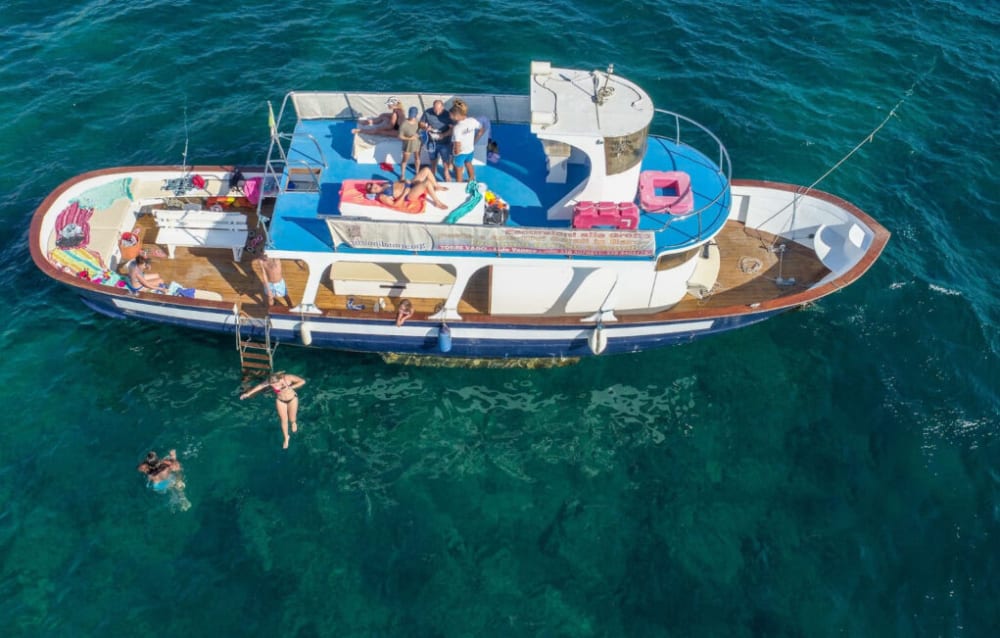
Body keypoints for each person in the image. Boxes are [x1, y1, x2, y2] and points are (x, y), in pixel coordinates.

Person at [240, 372, 306, 449]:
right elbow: (260, 386)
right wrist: (247, 394)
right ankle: (286, 437)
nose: (274, 386)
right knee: (283, 420)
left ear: (280, 379)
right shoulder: (270, 381)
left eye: (276, 384)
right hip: (280, 401)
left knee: (292, 418)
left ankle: (293, 423)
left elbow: (302, 381)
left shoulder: (287, 378)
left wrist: (291, 387)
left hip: (292, 399)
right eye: (272, 384)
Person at [365, 166, 449, 209]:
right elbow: (395, 205)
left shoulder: (384, 184)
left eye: (371, 184)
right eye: (370, 188)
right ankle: (437, 202)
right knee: (426, 182)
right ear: (372, 192)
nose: (373, 186)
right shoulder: (382, 196)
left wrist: (404, 181)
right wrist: (404, 194)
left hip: (409, 184)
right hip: (408, 194)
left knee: (426, 170)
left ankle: (436, 186)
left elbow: (397, 184)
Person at [450, 103, 485, 182]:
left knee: (459, 170)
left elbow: (457, 144)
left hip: (460, 153)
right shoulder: (472, 120)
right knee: (468, 163)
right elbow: (481, 130)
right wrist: (474, 141)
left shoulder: (457, 128)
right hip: (470, 150)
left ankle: (459, 185)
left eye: (451, 115)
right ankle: (472, 180)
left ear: (456, 116)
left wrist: (456, 154)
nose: (450, 117)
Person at [419, 100, 454, 180]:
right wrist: (425, 127)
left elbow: (452, 129)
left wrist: (443, 135)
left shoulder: (448, 115)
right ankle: (433, 171)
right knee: (432, 158)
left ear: (443, 107)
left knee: (445, 158)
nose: (437, 111)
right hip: (431, 141)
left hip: (444, 142)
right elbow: (421, 123)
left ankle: (446, 172)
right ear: (433, 107)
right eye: (435, 109)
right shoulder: (427, 112)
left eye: (439, 109)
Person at [398, 106, 422, 178]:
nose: (412, 117)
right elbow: (400, 136)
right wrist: (409, 138)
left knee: (417, 158)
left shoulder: (418, 122)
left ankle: (417, 172)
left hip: (417, 144)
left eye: (414, 115)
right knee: (404, 160)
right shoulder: (404, 124)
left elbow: (421, 129)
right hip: (407, 146)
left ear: (416, 115)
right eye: (411, 115)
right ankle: (402, 175)